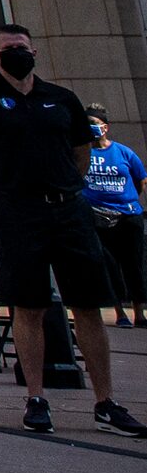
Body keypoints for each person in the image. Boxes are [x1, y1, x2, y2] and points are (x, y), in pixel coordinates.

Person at [0, 24, 144, 434]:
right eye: (8, 49)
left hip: (69, 211)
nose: (16, 53)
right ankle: (36, 397)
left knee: (88, 306)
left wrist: (66, 190)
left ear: (34, 51)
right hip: (19, 214)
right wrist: (3, 194)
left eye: (22, 47)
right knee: (29, 306)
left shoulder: (61, 99)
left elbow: (80, 153)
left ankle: (106, 402)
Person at [85, 105, 147, 326]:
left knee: (134, 265)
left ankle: (139, 312)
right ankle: (120, 312)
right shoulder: (82, 154)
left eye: (94, 124)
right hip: (98, 218)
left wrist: (128, 200)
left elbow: (141, 179)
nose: (90, 128)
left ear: (105, 127)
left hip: (128, 217)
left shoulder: (123, 152)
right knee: (109, 266)